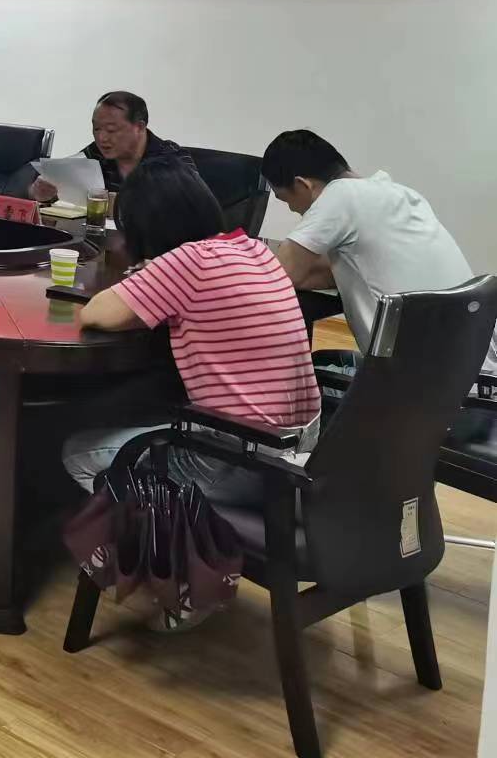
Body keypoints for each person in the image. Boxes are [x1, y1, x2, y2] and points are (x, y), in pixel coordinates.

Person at [62, 160, 320, 511]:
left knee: (78, 453)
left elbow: (96, 313)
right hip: (298, 454)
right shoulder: (254, 249)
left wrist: (154, 272)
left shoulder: (188, 261)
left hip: (239, 460)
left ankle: (159, 538)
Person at [264, 129, 473, 356]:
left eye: (285, 199)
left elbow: (278, 275)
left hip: (413, 369)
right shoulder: (402, 194)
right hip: (469, 364)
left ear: (302, 185)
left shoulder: (340, 195)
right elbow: (336, 271)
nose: (292, 209)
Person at [31, 90, 193, 202]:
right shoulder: (95, 153)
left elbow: (193, 208)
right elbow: (65, 182)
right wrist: (44, 192)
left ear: (139, 127)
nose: (102, 138)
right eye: (96, 129)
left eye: (111, 130)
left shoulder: (172, 157)